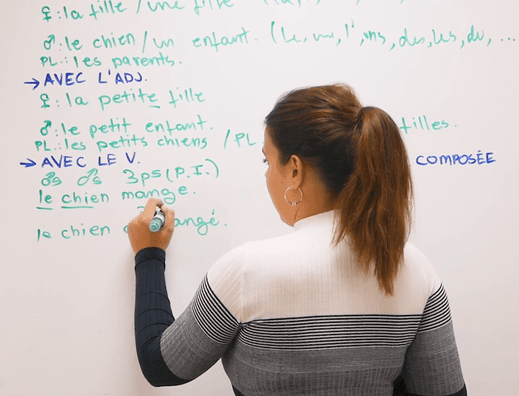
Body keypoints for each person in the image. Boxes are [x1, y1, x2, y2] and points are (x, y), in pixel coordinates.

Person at [128, 83, 467, 396]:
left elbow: (161, 365)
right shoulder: (414, 268)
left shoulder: (245, 271)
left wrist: (149, 254)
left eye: (267, 160)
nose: (266, 174)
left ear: (294, 169)